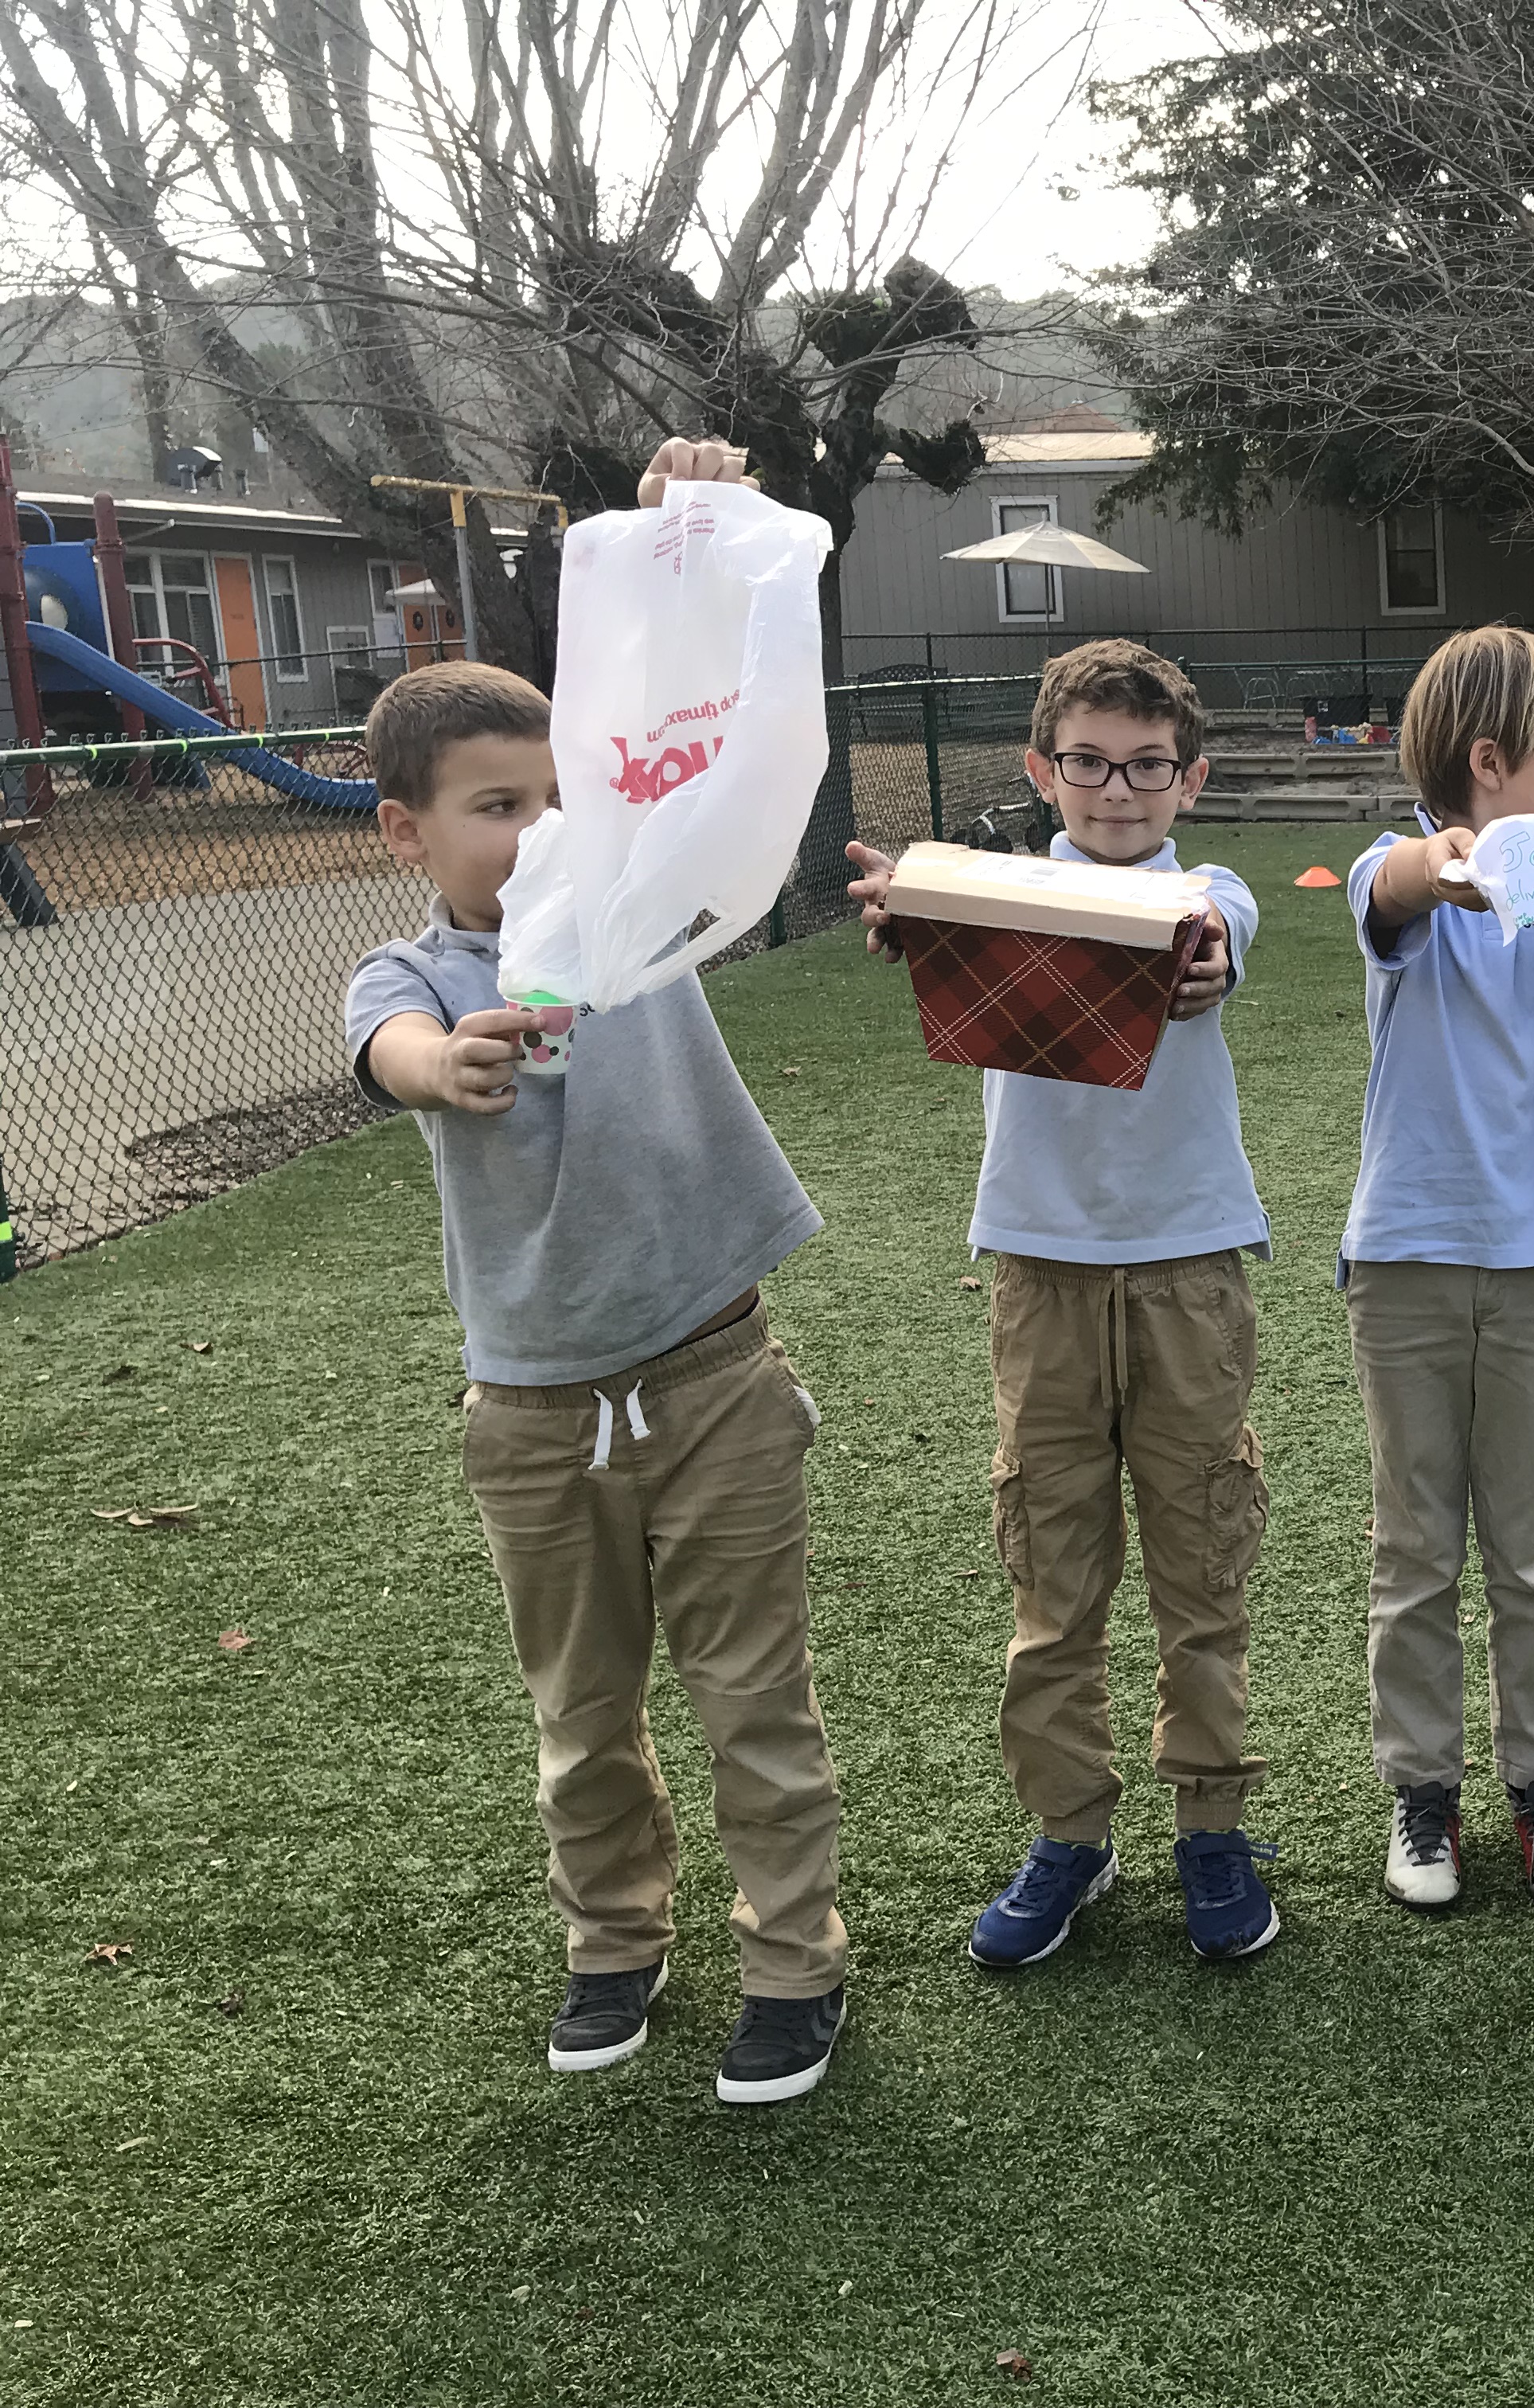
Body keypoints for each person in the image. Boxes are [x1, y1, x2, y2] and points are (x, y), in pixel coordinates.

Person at [341, 438, 849, 2105]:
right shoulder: (410, 976)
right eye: (497, 808)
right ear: (410, 829)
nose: (540, 828)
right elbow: (393, 1052)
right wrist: (448, 1063)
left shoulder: (643, 902)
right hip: (534, 1412)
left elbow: (690, 702)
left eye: (558, 795)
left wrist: (682, 520)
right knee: (581, 1711)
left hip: (716, 1376)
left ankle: (794, 1959)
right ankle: (614, 1941)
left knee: (754, 1697)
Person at [841, 641, 1282, 1965]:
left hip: (1190, 1266)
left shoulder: (1206, 892)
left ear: (1190, 779)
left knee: (1202, 1566)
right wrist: (908, 912)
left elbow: (1213, 944)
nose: (1117, 789)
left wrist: (1205, 961)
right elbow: (927, 910)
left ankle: (1211, 1825)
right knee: (1053, 1571)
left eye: (1148, 766)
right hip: (1038, 1270)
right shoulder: (998, 894)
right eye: (1088, 762)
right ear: (1042, 770)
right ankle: (1070, 1833)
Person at [1344, 625, 1534, 1913]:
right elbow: (1397, 887)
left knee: (1530, 1551)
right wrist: (1452, 863)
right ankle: (1423, 1792)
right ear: (1486, 758)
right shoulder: (1393, 866)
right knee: (1415, 1549)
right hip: (1404, 1258)